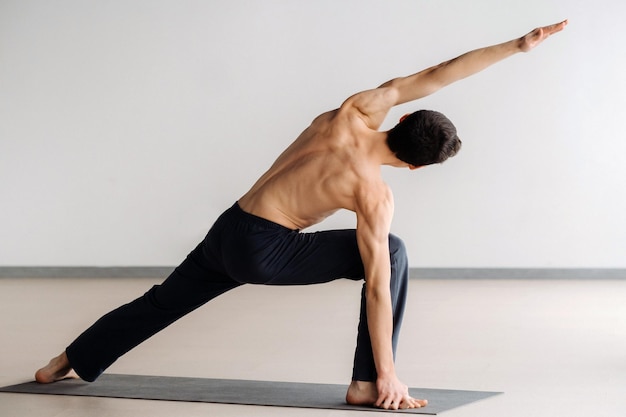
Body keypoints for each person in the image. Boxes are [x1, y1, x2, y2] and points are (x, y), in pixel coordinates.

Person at [35, 20, 567, 410]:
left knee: (160, 302)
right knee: (392, 253)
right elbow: (378, 286)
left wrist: (517, 46)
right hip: (266, 250)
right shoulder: (373, 194)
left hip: (230, 226)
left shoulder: (356, 110)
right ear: (414, 167)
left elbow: (435, 74)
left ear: (401, 116)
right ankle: (364, 384)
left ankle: (67, 360)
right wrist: (388, 374)